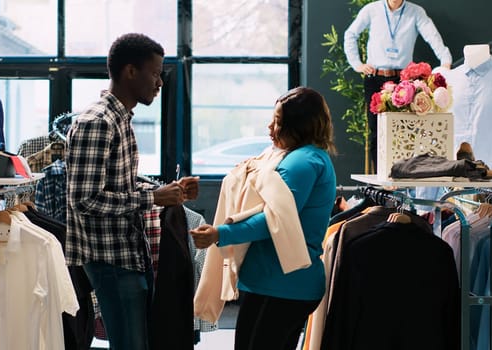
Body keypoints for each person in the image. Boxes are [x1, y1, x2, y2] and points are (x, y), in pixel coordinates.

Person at [65, 33, 199, 350]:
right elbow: (84, 199)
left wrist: (166, 190)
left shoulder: (119, 118)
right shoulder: (98, 121)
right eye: (155, 73)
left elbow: (119, 182)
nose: (159, 82)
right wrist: (152, 198)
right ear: (129, 72)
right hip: (109, 257)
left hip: (125, 253)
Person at [191, 87, 337, 349]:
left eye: (279, 121)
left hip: (281, 286)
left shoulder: (302, 162)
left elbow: (273, 219)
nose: (270, 126)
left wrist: (220, 233)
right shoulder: (299, 157)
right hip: (278, 285)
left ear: (300, 126)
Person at [343, 0, 452, 169]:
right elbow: (350, 34)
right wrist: (357, 64)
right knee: (376, 130)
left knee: (405, 130)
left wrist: (445, 60)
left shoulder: (415, 12)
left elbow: (432, 36)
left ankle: (403, 175)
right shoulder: (371, 10)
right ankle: (380, 178)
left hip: (403, 81)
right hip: (375, 78)